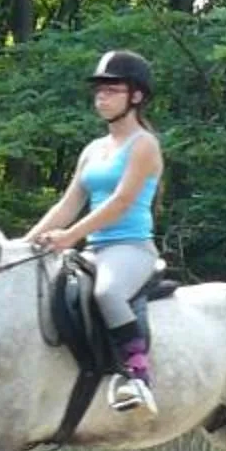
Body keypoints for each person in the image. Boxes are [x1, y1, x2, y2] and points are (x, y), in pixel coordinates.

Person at [24, 49, 165, 414]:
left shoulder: (144, 144)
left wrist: (69, 237)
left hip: (131, 248)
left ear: (136, 96)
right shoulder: (93, 150)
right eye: (99, 90)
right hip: (94, 250)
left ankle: (137, 375)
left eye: (111, 90)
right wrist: (23, 245)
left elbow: (121, 202)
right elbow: (67, 205)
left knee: (108, 292)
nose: (101, 97)